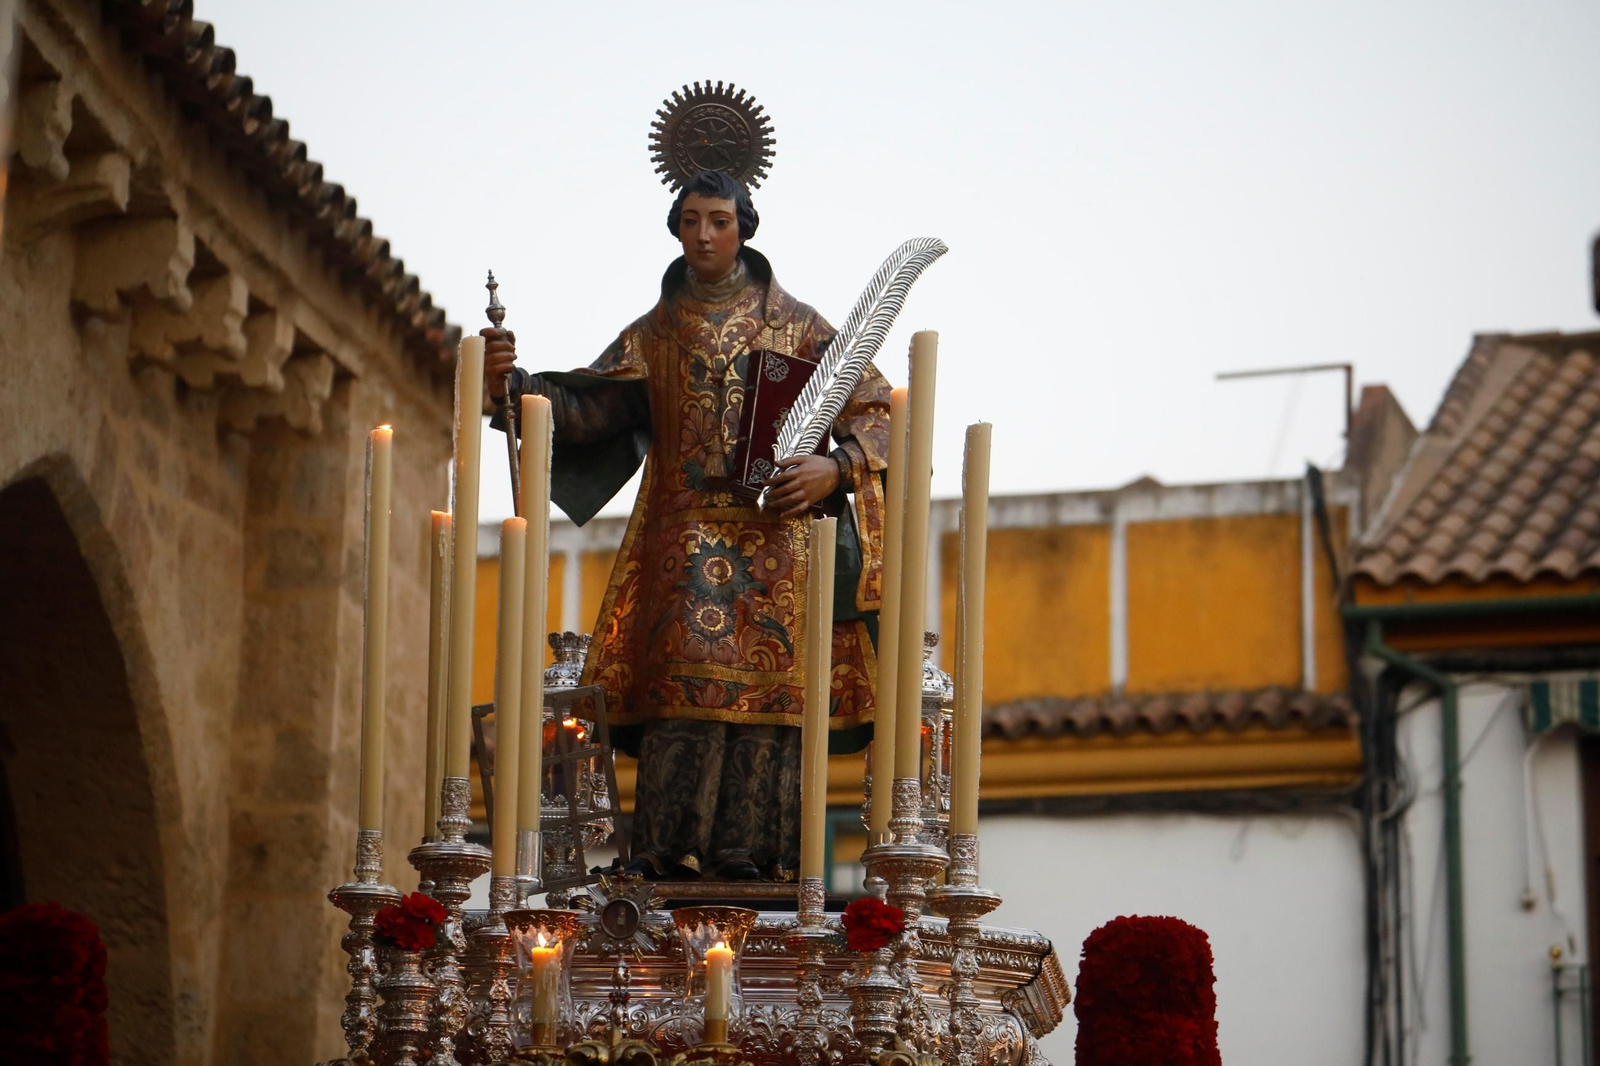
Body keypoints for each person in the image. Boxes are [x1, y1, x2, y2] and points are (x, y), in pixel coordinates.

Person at [484, 169, 890, 880]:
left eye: (720, 221)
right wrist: (515, 390)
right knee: (682, 690)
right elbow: (589, 408)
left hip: (778, 542)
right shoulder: (654, 333)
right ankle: (666, 853)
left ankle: (755, 854)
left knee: (771, 704)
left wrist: (837, 468)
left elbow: (880, 408)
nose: (704, 234)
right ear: (676, 228)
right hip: (683, 540)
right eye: (691, 220)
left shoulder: (799, 326)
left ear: (745, 229)